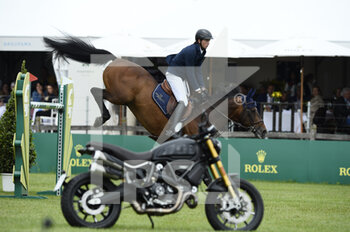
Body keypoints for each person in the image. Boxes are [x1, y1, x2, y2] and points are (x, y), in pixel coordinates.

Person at [164, 29, 213, 133]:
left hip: (183, 76)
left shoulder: (202, 51)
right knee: (183, 101)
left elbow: (198, 70)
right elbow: (190, 72)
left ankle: (180, 124)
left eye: (209, 41)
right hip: (174, 75)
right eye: (206, 40)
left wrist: (203, 87)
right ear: (199, 40)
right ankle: (171, 129)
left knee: (189, 101)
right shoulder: (191, 50)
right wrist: (197, 90)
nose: (208, 43)